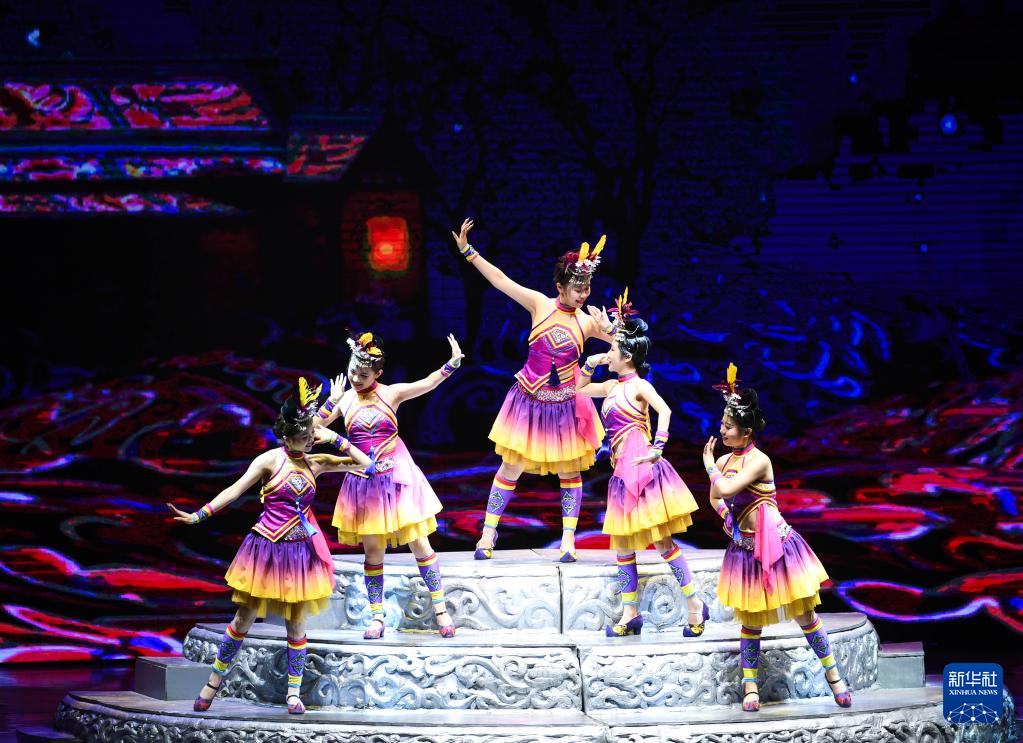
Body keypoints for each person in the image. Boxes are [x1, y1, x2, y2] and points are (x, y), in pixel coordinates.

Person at [167, 377, 371, 715]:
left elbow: (366, 463)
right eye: (305, 436)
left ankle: (293, 693)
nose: (311, 439)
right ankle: (212, 685)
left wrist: (335, 438)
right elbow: (235, 490)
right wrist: (199, 515)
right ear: (287, 436)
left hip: (299, 553)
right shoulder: (269, 460)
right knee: (244, 618)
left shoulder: (316, 462)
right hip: (266, 548)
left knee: (296, 623)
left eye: (312, 434)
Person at [451, 218, 611, 562]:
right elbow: (500, 280)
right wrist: (468, 251)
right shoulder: (539, 304)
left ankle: (568, 540)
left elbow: (629, 351)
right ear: (560, 286)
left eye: (587, 288)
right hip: (528, 401)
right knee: (510, 468)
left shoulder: (587, 322)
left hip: (565, 405)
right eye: (577, 288)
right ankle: (488, 533)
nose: (583, 294)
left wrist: (611, 330)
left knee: (569, 472)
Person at [704, 364, 852, 711]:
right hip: (744, 549)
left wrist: (708, 463)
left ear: (746, 432)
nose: (722, 430)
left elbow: (726, 488)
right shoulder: (724, 461)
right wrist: (730, 520)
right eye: (722, 424)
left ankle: (835, 678)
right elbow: (715, 497)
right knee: (750, 621)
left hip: (778, 547)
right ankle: (750, 687)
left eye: (728, 426)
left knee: (805, 616)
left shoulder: (759, 461)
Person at [317, 332, 464, 639]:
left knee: (420, 544)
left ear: (378, 374)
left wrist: (450, 364)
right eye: (353, 372)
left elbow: (427, 383)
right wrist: (331, 400)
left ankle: (441, 611)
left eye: (364, 375)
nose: (356, 379)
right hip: (364, 483)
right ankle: (377, 616)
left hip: (397, 478)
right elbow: (314, 429)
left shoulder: (391, 393)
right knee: (373, 552)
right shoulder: (345, 399)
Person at [576, 291, 704, 636]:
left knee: (662, 543)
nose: (610, 353)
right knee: (622, 546)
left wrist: (659, 446)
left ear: (628, 356)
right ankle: (630, 612)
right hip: (621, 473)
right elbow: (578, 389)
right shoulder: (609, 387)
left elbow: (666, 410)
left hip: (643, 471)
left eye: (614, 350)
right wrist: (592, 362)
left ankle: (695, 604)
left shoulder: (639, 386)